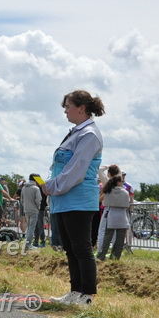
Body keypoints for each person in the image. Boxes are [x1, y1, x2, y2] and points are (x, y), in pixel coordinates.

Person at [42, 90, 105, 306]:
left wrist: (52, 186)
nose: (65, 111)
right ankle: (75, 291)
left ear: (81, 108)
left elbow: (76, 169)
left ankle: (87, 295)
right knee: (70, 249)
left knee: (81, 248)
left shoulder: (89, 134)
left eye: (68, 106)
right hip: (65, 200)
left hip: (78, 199)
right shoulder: (76, 132)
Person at [97, 175, 130, 261]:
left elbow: (104, 203)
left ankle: (101, 255)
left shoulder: (108, 191)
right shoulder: (125, 192)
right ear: (118, 182)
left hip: (111, 214)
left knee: (107, 238)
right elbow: (127, 205)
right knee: (120, 239)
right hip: (122, 215)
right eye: (121, 181)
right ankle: (115, 256)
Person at [20, 174, 42, 249]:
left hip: (26, 209)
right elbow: (38, 200)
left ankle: (27, 243)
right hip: (34, 209)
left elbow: (21, 200)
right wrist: (37, 207)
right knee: (32, 227)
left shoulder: (23, 188)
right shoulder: (36, 188)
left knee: (29, 227)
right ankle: (28, 244)